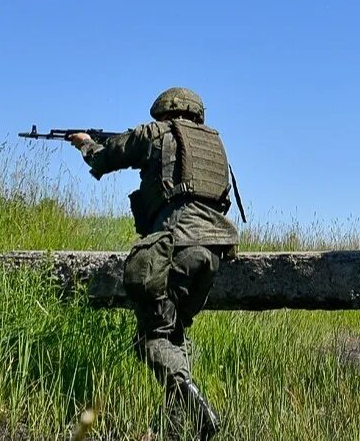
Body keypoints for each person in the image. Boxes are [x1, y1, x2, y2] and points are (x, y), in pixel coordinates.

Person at [67, 87, 239, 439]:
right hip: (215, 252)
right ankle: (171, 430)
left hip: (176, 245)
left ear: (164, 110)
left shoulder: (155, 133)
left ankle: (194, 406)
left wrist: (85, 143)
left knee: (151, 339)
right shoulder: (215, 145)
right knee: (173, 336)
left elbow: (105, 158)